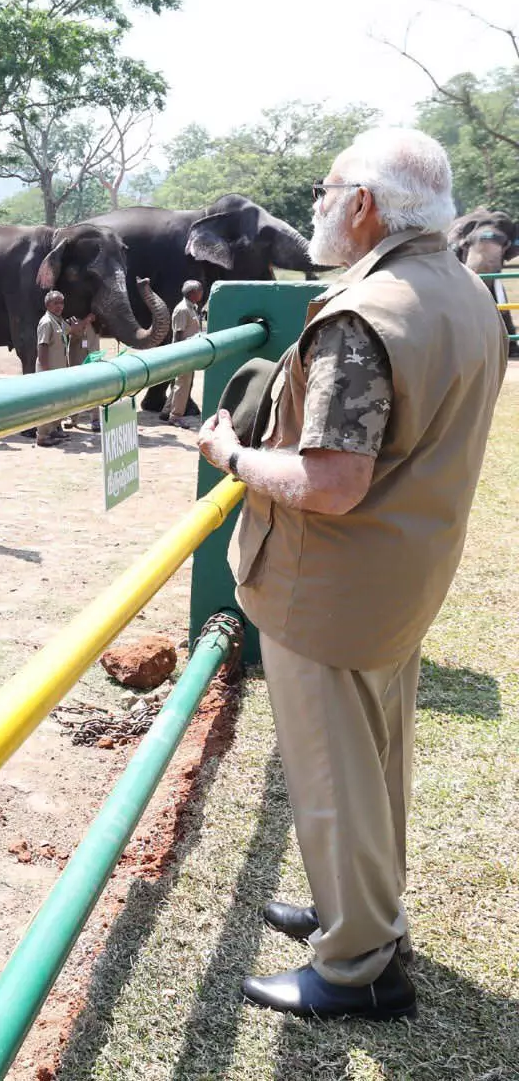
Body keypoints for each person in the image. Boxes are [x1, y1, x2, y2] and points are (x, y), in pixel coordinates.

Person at [198, 128, 504, 1020]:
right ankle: (361, 914)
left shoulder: (363, 316)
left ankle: (358, 966)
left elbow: (330, 483)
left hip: (327, 586)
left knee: (334, 777)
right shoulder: (465, 290)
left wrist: (230, 454)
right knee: (376, 764)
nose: (319, 205)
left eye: (327, 190)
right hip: (402, 576)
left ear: (364, 204)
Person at [161, 280, 204, 427]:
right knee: (182, 384)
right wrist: (179, 355)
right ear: (193, 294)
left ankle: (167, 411)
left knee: (180, 383)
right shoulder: (182, 310)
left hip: (190, 352)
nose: (202, 293)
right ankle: (175, 416)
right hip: (184, 352)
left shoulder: (192, 308)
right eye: (200, 291)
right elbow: (178, 334)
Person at [34, 290, 70, 446]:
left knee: (57, 402)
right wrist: (46, 372)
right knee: (46, 404)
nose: (59, 306)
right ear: (48, 305)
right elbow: (42, 347)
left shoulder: (59, 321)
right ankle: (42, 436)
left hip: (59, 370)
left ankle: (54, 428)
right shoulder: (47, 322)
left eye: (61, 302)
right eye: (56, 303)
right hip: (49, 371)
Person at [68, 312, 102, 431]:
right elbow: (72, 331)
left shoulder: (96, 322)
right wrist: (86, 320)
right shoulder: (72, 319)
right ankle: (73, 418)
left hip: (93, 358)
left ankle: (95, 419)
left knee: (94, 389)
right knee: (75, 389)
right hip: (77, 360)